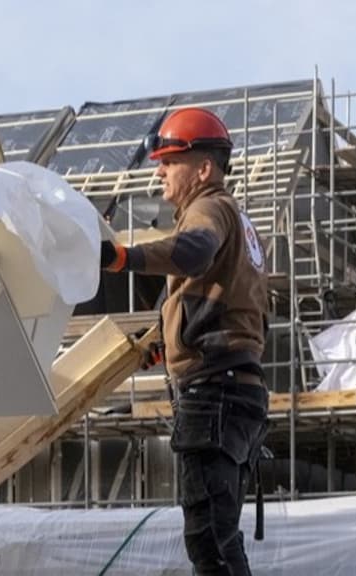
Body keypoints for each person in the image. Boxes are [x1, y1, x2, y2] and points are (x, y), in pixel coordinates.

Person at [100, 107, 270, 575]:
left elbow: (193, 254)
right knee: (218, 534)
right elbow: (228, 304)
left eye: (170, 161)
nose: (160, 172)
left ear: (203, 168)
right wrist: (167, 342)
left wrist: (121, 257)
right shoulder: (239, 222)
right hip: (236, 389)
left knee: (210, 540)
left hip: (214, 393)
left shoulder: (208, 208)